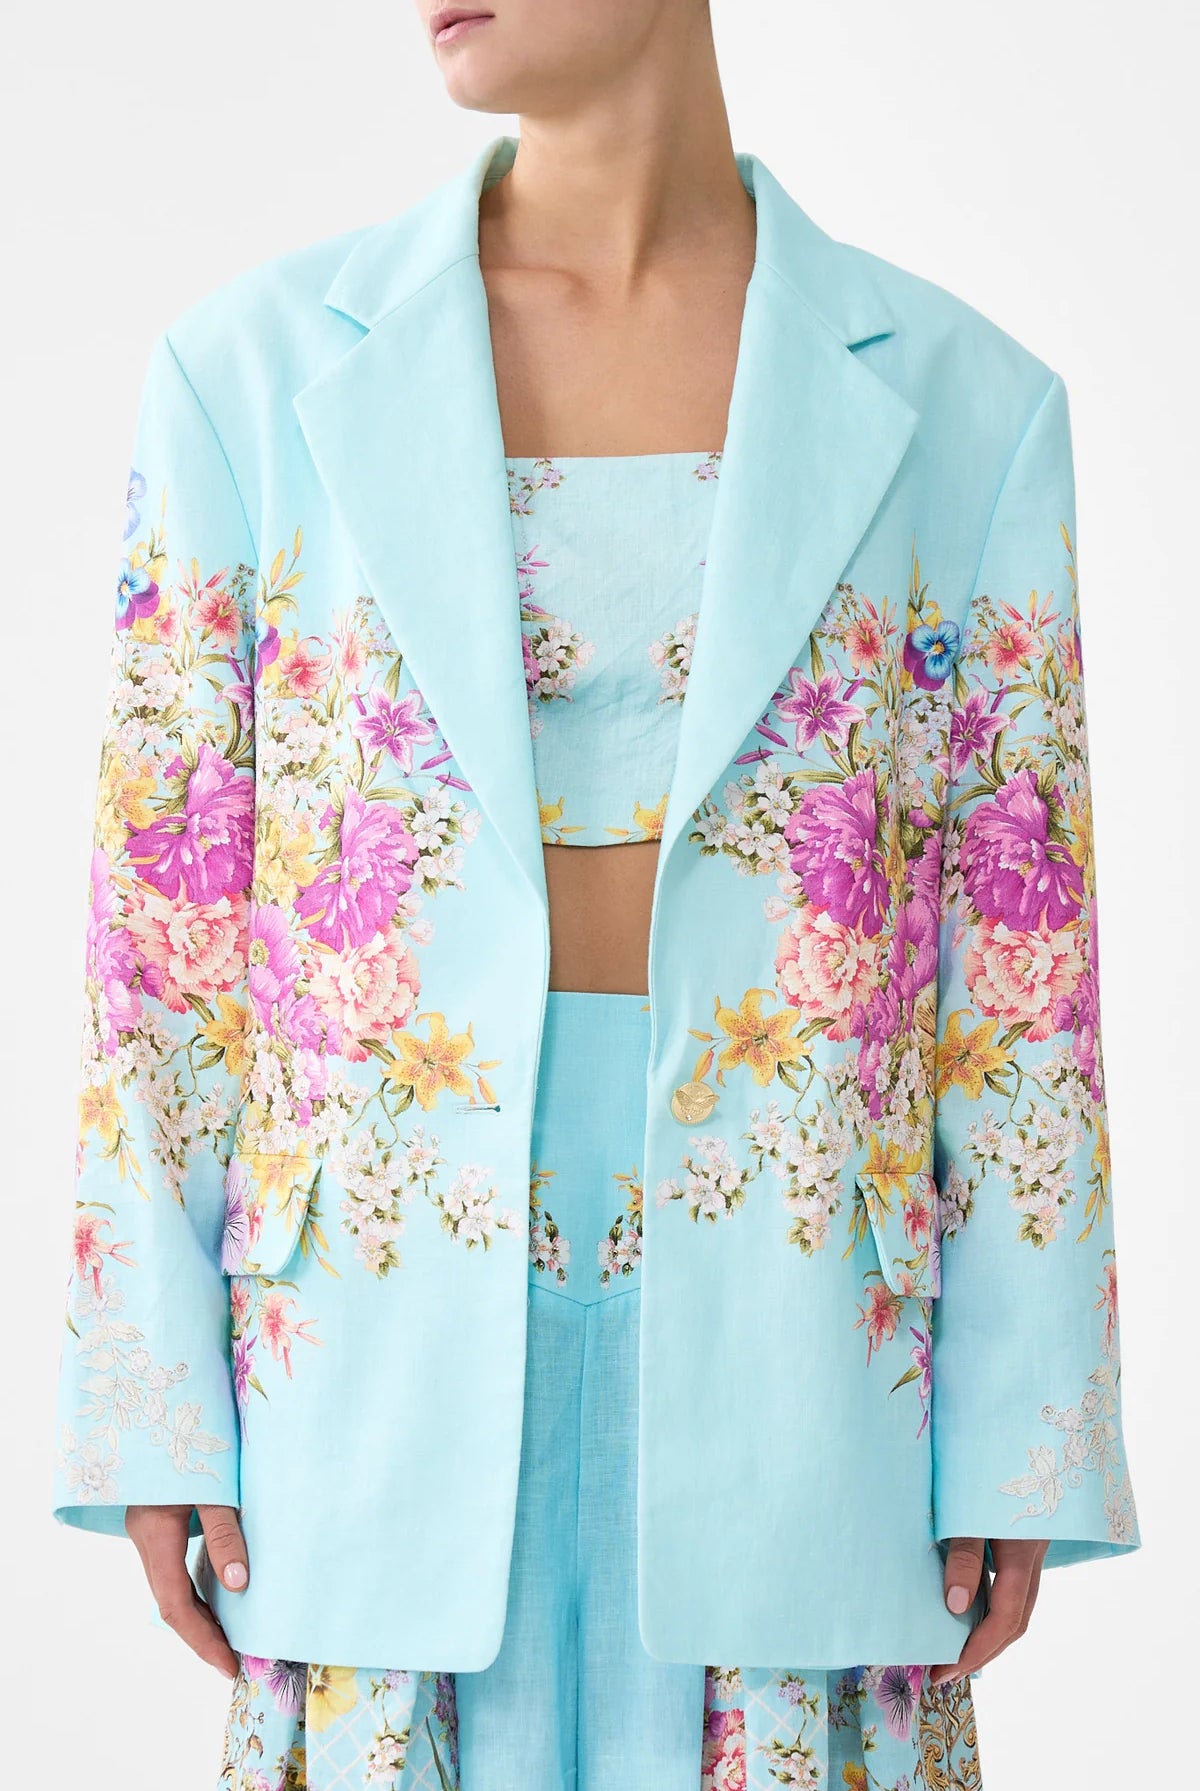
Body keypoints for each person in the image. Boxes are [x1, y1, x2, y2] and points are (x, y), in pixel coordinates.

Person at [53, 3, 1140, 1787]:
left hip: (810, 1369)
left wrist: (1028, 1416)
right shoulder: (246, 380)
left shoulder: (970, 409)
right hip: (369, 1365)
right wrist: (151, 1395)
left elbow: (1020, 969)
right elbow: (164, 945)